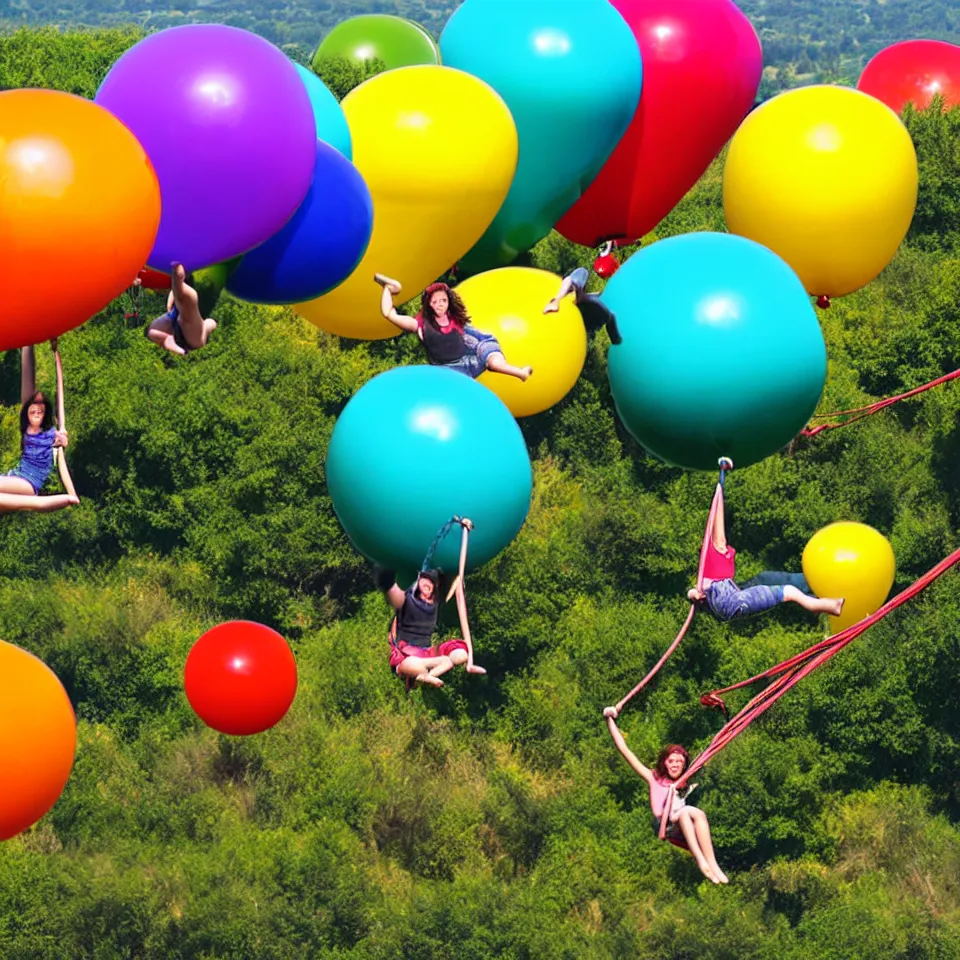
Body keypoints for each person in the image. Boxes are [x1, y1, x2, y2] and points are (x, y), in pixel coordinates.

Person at [687, 474, 844, 622]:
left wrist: (693, 594)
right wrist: (720, 487)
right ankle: (825, 606)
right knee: (788, 591)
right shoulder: (718, 557)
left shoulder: (710, 574)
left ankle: (822, 604)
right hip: (733, 602)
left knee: (787, 591)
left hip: (727, 606)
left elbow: (695, 592)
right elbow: (718, 531)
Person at [604, 706, 728, 884]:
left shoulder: (684, 781)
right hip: (667, 824)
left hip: (681, 823)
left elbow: (712, 753)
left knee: (698, 814)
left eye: (679, 762)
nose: (675, 765)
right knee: (685, 813)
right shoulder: (653, 778)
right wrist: (610, 720)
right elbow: (624, 749)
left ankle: (712, 863)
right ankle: (701, 862)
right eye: (671, 761)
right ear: (664, 763)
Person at [374, 274, 533, 382]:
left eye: (443, 300)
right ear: (429, 304)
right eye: (435, 302)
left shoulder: (454, 318)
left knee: (495, 364)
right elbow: (389, 314)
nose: (440, 305)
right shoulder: (421, 324)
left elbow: (476, 339)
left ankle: (520, 373)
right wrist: (388, 289)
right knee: (462, 391)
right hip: (448, 368)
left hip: (474, 350)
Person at [376, 565, 486, 689]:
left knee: (456, 656)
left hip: (420, 656)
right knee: (453, 657)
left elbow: (461, 606)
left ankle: (425, 676)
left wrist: (469, 658)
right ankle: (425, 676)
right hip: (415, 656)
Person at [0, 340, 79, 513]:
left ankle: (46, 502)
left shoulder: (47, 433)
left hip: (24, 480)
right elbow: (27, 374)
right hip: (22, 480)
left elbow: (33, 378)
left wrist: (71, 493)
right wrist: (70, 497)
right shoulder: (37, 430)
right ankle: (49, 501)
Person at [542, 252, 622, 346]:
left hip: (581, 304)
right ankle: (616, 340)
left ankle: (616, 340)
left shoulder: (579, 293)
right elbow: (569, 281)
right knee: (609, 315)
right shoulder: (571, 289)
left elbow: (576, 288)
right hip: (577, 309)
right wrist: (557, 299)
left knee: (605, 308)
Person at [145, 262, 218, 355]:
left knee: (209, 323)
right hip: (180, 322)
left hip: (192, 336)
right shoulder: (183, 296)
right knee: (151, 332)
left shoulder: (189, 296)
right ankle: (173, 343)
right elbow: (176, 288)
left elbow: (178, 279)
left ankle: (178, 347)